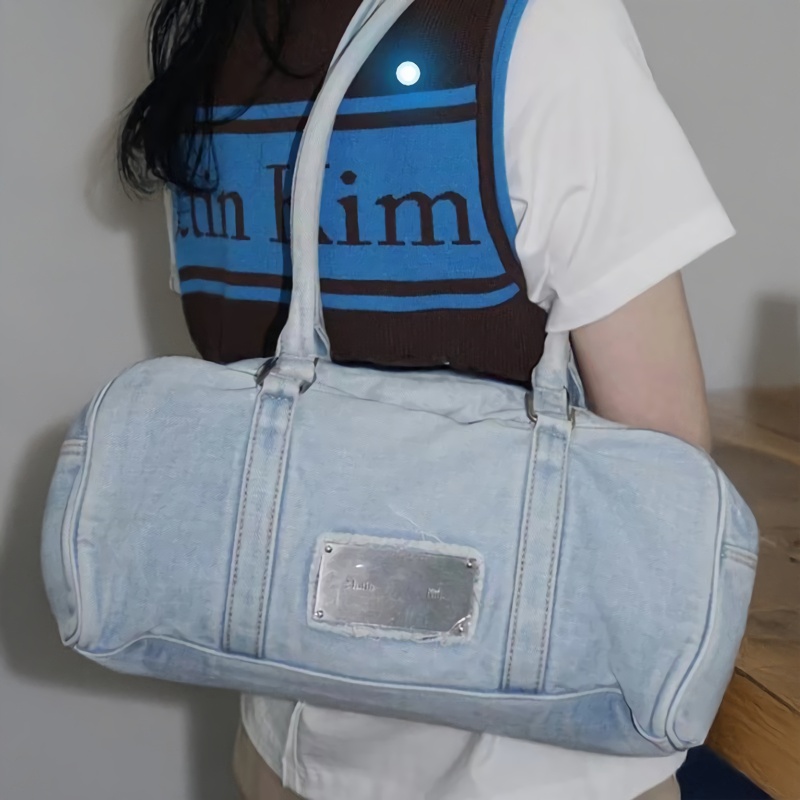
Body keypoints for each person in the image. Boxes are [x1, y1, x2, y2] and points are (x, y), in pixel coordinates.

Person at [119, 0, 734, 797]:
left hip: (287, 742)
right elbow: (664, 472)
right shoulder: (542, 24)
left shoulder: (218, 41)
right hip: (535, 759)